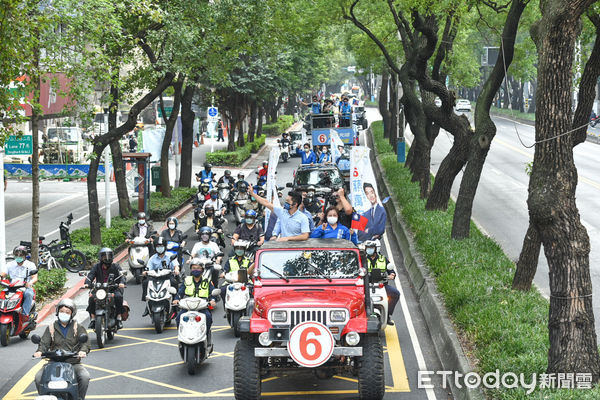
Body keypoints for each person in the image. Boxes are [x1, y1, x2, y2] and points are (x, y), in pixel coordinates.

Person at [33, 299, 90, 400]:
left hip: (73, 363)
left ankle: (79, 398)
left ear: (72, 314)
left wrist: (83, 351)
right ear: (57, 312)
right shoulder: (51, 327)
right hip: (53, 363)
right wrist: (39, 351)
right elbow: (44, 343)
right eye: (62, 311)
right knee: (38, 378)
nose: (64, 314)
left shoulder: (78, 327)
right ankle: (45, 397)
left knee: (85, 376)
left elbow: (85, 342)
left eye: (67, 312)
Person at [172, 258, 218, 331]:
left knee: (208, 317)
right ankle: (181, 334)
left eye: (198, 268)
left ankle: (206, 334)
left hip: (202, 306)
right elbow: (180, 292)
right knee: (179, 317)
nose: (196, 270)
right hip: (188, 305)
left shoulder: (207, 281)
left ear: (202, 269)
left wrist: (212, 300)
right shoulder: (187, 280)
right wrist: (176, 299)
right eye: (194, 268)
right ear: (191, 269)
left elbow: (213, 292)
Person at [86, 248, 125, 330]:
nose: (107, 258)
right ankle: (93, 319)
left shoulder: (116, 266)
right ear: (100, 257)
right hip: (99, 289)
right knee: (91, 298)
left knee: (118, 297)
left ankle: (118, 317)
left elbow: (122, 275)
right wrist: (87, 283)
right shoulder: (96, 267)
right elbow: (90, 275)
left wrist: (122, 283)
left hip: (113, 288)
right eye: (104, 256)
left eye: (109, 256)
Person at [363, 240, 399, 325]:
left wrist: (392, 275)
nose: (369, 250)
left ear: (376, 249)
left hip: (381, 286)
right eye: (368, 248)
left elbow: (391, 271)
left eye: (371, 248)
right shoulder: (362, 259)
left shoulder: (383, 259)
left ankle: (387, 316)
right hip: (366, 286)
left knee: (395, 294)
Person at [141, 237, 180, 312]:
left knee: (174, 282)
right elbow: (148, 268)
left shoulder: (170, 255)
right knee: (145, 282)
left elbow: (176, 265)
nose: (160, 248)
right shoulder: (152, 258)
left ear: (165, 247)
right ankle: (147, 303)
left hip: (168, 277)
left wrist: (176, 269)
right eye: (158, 247)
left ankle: (175, 302)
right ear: (155, 248)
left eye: (161, 246)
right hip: (156, 277)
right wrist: (145, 272)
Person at [0, 245, 37, 319]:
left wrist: (30, 283)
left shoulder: (30, 265)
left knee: (29, 294)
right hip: (11, 286)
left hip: (25, 287)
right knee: (2, 295)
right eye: (16, 255)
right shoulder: (10, 264)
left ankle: (25, 314)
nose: (18, 257)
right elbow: (3, 273)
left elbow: (35, 278)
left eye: (21, 255)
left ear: (25, 256)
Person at [220, 241, 255, 305]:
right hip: (231, 281)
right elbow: (225, 271)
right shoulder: (230, 260)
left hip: (245, 281)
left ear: (244, 250)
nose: (239, 250)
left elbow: (251, 272)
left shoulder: (248, 260)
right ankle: (226, 307)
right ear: (235, 250)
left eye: (241, 249)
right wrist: (223, 274)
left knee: (253, 290)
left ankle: (250, 308)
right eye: (237, 249)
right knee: (223, 290)